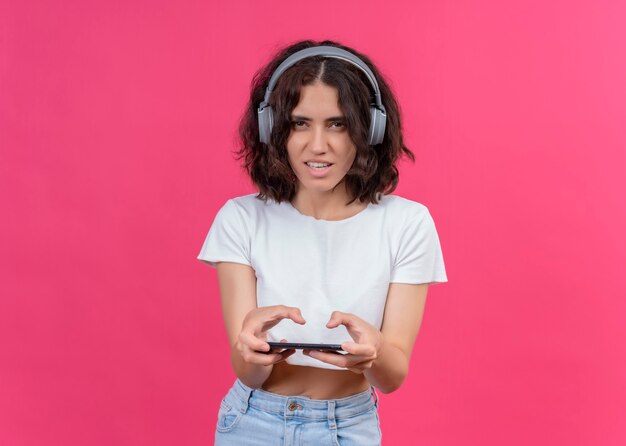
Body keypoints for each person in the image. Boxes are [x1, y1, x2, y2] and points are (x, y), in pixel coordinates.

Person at [197, 39, 448, 445]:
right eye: (299, 123)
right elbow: (247, 371)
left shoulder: (408, 224)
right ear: (272, 129)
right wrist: (251, 350)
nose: (318, 145)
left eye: (338, 124)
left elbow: (393, 376)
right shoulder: (240, 218)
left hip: (347, 427)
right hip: (251, 421)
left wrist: (375, 353)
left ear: (371, 129)